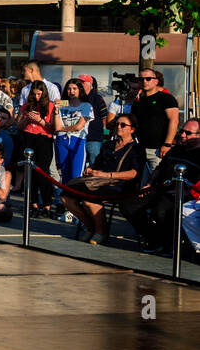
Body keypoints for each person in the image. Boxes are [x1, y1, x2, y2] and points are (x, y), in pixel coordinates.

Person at [62, 114, 147, 245]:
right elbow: (97, 164)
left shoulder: (137, 149)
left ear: (132, 129)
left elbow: (134, 173)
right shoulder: (108, 144)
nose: (119, 127)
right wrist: (90, 169)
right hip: (97, 181)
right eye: (117, 124)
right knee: (66, 197)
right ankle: (90, 227)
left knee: (88, 200)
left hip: (119, 184)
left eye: (123, 125)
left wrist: (108, 175)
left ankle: (101, 231)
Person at [121, 117, 200, 252]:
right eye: (182, 131)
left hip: (185, 195)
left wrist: (186, 192)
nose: (182, 135)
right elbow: (159, 169)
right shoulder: (175, 150)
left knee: (162, 210)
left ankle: (169, 245)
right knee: (127, 205)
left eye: (188, 133)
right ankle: (154, 238)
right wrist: (149, 184)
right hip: (160, 189)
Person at [15, 81, 58, 217]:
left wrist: (40, 120)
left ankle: (47, 205)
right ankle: (33, 204)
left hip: (44, 139)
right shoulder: (26, 106)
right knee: (30, 173)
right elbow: (19, 126)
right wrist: (27, 119)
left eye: (39, 94)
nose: (37, 97)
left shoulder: (50, 106)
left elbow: (53, 129)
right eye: (34, 94)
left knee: (43, 173)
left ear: (44, 93)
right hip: (28, 137)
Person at [132, 68, 180, 162]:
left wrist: (167, 144)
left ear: (156, 81)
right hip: (139, 148)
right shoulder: (137, 102)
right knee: (139, 176)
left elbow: (174, 120)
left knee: (156, 175)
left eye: (148, 78)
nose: (145, 81)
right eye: (141, 79)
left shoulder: (166, 98)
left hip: (158, 149)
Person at [55, 78, 94, 184]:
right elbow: (56, 126)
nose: (71, 91)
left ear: (80, 90)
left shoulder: (86, 105)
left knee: (76, 175)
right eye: (68, 89)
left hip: (78, 140)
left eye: (74, 88)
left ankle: (77, 199)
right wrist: (56, 110)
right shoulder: (63, 104)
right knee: (65, 173)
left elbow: (79, 126)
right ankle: (66, 199)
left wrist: (63, 129)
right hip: (62, 140)